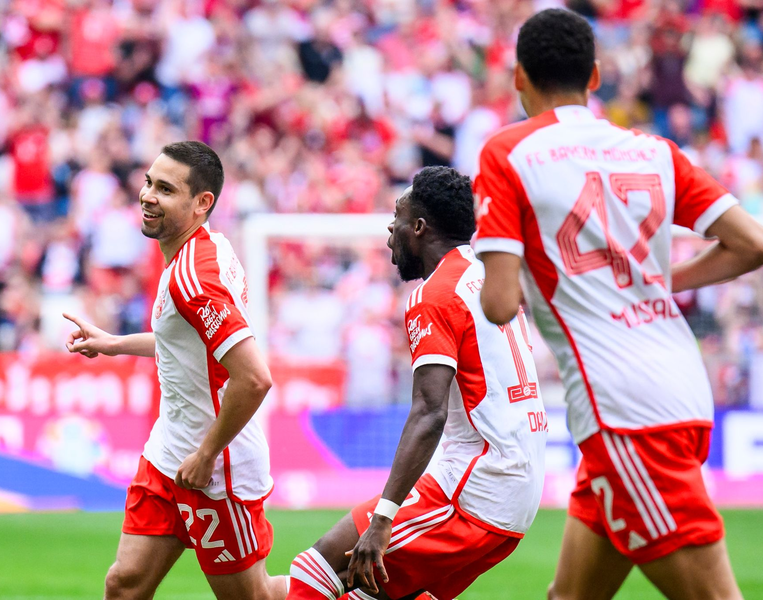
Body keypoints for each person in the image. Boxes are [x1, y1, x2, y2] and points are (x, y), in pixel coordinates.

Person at [473, 9, 763, 600]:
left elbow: (499, 303)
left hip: (623, 412)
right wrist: (656, 280)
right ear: (596, 76)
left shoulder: (508, 152)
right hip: (679, 385)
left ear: (519, 76)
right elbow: (751, 243)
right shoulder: (652, 150)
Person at [286, 166, 547, 600]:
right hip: (518, 490)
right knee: (370, 594)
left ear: (420, 227)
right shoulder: (490, 280)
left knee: (315, 571)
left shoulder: (436, 294)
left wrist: (383, 519)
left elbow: (429, 412)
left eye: (398, 217)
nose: (390, 228)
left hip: (475, 489)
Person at [64, 141, 288, 600]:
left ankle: (342, 586)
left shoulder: (195, 280)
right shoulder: (206, 248)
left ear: (202, 203)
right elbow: (186, 344)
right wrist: (114, 344)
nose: (148, 196)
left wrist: (207, 454)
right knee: (123, 586)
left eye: (165, 189)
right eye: (149, 182)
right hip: (168, 454)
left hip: (214, 468)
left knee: (254, 597)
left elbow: (254, 378)